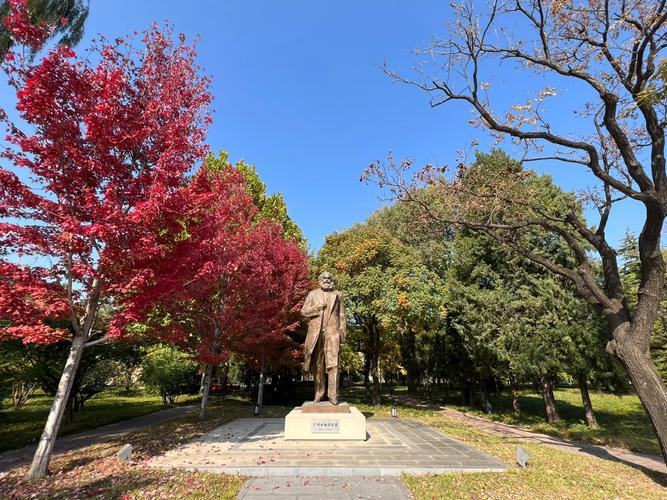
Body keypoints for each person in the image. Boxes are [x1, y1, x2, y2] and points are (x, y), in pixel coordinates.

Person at [300, 272, 347, 404]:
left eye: (329, 278)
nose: (326, 280)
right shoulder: (312, 294)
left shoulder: (338, 294)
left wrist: (342, 333)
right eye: (324, 278)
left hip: (333, 332)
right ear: (320, 280)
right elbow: (303, 311)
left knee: (334, 363)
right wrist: (317, 308)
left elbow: (342, 314)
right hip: (316, 333)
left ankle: (333, 395)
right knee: (318, 365)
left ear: (332, 280)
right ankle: (319, 393)